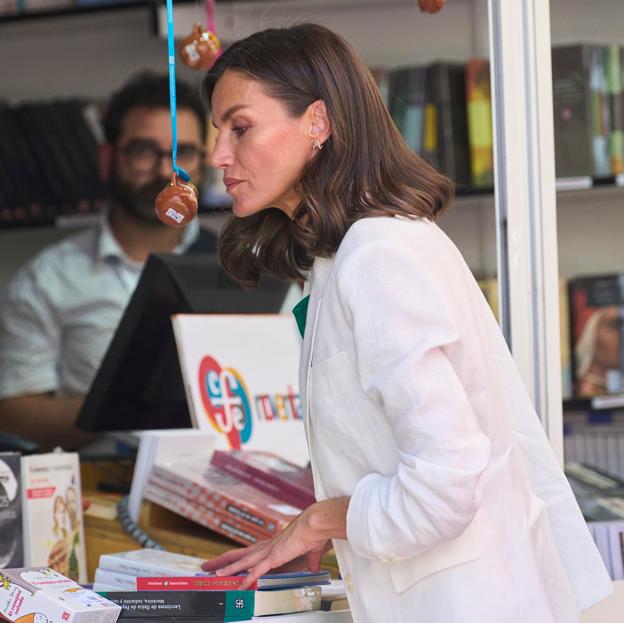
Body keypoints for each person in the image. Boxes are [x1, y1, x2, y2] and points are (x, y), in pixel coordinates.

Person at [200, 24, 613, 623]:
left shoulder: (379, 253)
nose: (218, 156)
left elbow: (445, 486)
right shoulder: (344, 256)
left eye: (240, 128)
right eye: (218, 132)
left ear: (318, 122)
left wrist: (318, 521)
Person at [0, 71, 217, 450]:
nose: (167, 171)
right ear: (107, 158)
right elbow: (13, 410)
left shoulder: (243, 265)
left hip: (231, 482)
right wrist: (123, 406)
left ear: (204, 160)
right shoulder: (46, 279)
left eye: (183, 152)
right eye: (143, 151)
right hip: (102, 487)